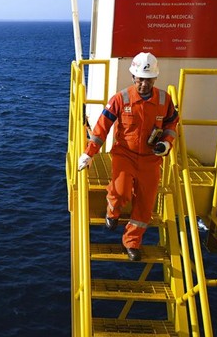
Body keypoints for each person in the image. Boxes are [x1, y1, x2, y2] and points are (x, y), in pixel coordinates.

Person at [77, 52, 179, 261]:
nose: (143, 83)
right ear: (133, 77)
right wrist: (89, 154)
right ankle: (112, 212)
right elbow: (102, 128)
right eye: (140, 79)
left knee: (145, 203)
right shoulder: (120, 99)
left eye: (148, 79)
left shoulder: (164, 100)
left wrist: (167, 143)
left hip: (151, 159)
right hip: (125, 155)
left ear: (154, 79)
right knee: (121, 191)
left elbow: (171, 124)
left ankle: (132, 242)